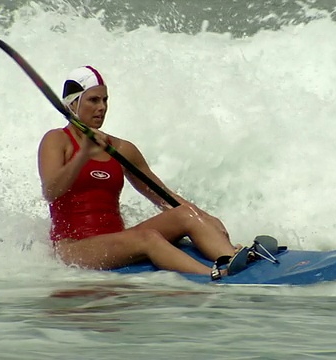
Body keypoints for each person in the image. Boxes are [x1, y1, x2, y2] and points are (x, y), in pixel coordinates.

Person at [37, 65, 248, 279]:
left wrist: (205, 219)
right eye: (93, 100)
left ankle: (232, 257)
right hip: (74, 248)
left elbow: (163, 197)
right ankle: (217, 276)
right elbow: (51, 191)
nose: (102, 107)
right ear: (73, 104)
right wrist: (83, 154)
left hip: (118, 241)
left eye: (105, 100)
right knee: (148, 238)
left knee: (185, 214)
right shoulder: (56, 140)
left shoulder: (121, 149)